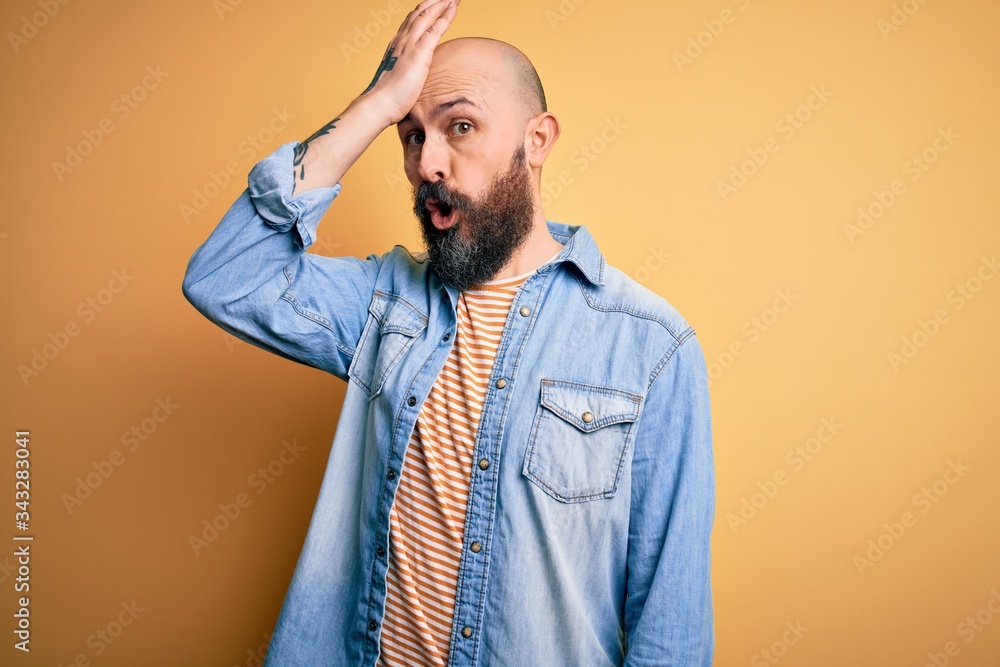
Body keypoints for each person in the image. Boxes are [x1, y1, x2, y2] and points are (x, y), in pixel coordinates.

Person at [181, 0, 715, 664]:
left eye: (460, 126)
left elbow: (671, 623)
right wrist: (375, 105)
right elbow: (229, 276)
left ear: (537, 140)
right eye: (411, 135)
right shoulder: (381, 304)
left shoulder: (651, 348)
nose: (429, 162)